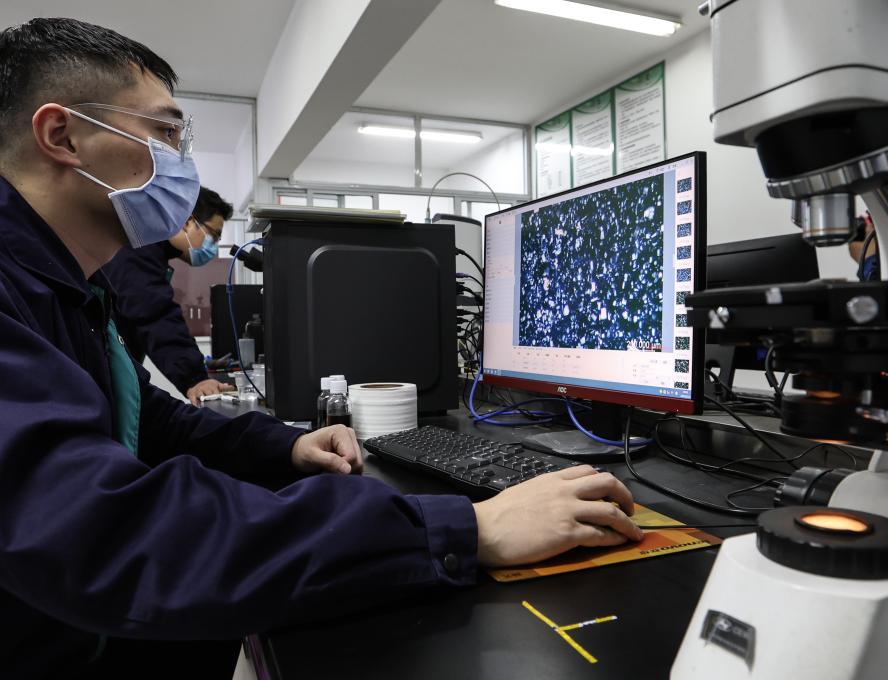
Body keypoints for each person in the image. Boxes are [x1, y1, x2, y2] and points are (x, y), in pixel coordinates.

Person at [0, 17, 643, 678]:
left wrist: (282, 446)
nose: (181, 162)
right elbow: (105, 531)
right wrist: (470, 530)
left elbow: (145, 417)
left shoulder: (64, 287)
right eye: (164, 132)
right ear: (62, 136)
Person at [102, 186, 236, 405]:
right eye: (213, 235)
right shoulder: (139, 248)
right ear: (187, 222)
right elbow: (155, 315)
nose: (214, 246)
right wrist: (195, 378)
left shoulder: (147, 246)